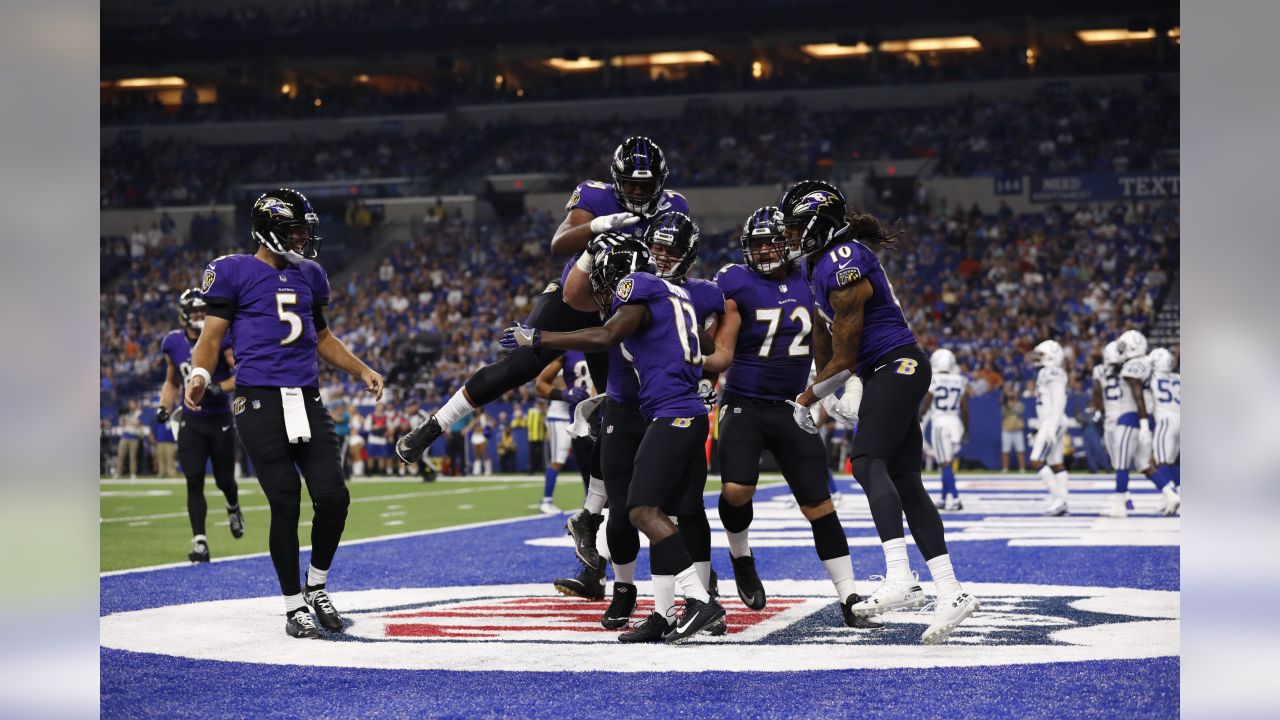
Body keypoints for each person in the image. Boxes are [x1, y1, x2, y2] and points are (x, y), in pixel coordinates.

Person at [396, 137, 690, 466]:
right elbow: (559, 244)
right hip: (577, 294)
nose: (637, 193)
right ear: (616, 180)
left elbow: (677, 266)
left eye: (645, 185)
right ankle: (435, 425)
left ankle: (597, 510)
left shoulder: (674, 206)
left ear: (660, 183)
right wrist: (595, 227)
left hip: (624, 310)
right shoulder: (595, 195)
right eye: (630, 185)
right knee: (519, 365)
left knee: (620, 407)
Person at [779, 180, 977, 645]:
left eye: (793, 226)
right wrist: (824, 391)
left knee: (867, 461)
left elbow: (847, 355)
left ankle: (900, 577)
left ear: (814, 222)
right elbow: (826, 345)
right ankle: (950, 591)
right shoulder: (819, 265)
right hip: (887, 368)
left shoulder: (842, 259)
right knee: (906, 481)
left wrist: (810, 398)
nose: (788, 235)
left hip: (897, 364)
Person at [501, 241, 725, 644]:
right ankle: (663, 613)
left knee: (641, 510)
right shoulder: (680, 295)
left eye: (605, 285)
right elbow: (709, 349)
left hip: (672, 412)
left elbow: (606, 336)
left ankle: (699, 598)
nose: (604, 294)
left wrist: (539, 336)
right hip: (682, 411)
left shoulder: (637, 287)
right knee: (657, 513)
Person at [186, 188, 384, 640]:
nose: (301, 239)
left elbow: (323, 337)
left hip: (306, 398)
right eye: (293, 230)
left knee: (334, 496)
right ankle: (293, 604)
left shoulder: (310, 273)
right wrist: (199, 373)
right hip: (257, 399)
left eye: (302, 231)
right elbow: (212, 338)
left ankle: (316, 586)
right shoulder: (233, 270)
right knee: (286, 499)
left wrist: (362, 368)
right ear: (268, 229)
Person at [702, 206, 881, 630]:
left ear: (789, 242)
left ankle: (849, 597)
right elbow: (714, 335)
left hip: (792, 404)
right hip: (744, 401)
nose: (764, 249)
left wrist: (841, 381)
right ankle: (741, 558)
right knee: (736, 490)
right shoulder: (733, 280)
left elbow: (843, 325)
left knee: (820, 505)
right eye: (757, 242)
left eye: (772, 241)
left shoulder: (812, 274)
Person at [555, 215, 723, 623]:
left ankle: (693, 595)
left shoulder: (693, 294)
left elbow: (712, 352)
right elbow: (572, 295)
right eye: (658, 248)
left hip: (668, 409)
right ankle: (627, 590)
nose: (663, 257)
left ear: (689, 257)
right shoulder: (623, 281)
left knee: (680, 506)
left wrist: (699, 377)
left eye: (673, 251)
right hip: (627, 407)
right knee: (626, 505)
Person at [157, 288, 243, 563]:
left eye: (201, 310)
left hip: (219, 419)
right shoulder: (172, 343)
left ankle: (232, 505)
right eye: (193, 311)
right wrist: (163, 406)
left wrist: (219, 388)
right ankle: (200, 542)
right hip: (191, 419)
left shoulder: (221, 335)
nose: (198, 315)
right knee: (193, 480)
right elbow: (172, 381)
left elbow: (240, 372)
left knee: (224, 480)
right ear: (184, 314)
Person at [533, 352, 593, 514]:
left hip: (578, 415)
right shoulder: (565, 354)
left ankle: (589, 500)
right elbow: (552, 383)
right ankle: (546, 500)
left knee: (588, 463)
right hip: (559, 416)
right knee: (557, 459)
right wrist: (568, 392)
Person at [1029, 339, 1072, 516]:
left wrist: (1050, 427)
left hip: (1053, 421)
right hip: (1052, 421)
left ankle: (1059, 499)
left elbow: (1059, 399)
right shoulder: (1047, 372)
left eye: (1042, 355)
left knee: (1036, 459)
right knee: (1056, 462)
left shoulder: (1051, 371)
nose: (1038, 358)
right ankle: (1062, 501)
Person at [924, 348, 969, 511]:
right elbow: (965, 408)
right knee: (947, 463)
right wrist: (966, 429)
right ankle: (943, 498)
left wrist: (918, 416)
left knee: (945, 464)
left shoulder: (934, 379)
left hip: (941, 422)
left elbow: (927, 403)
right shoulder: (960, 379)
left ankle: (956, 499)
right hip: (956, 422)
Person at [1147, 347, 1181, 515]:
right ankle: (1176, 494)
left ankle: (1171, 496)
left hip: (1165, 421)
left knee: (1160, 462)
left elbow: (1147, 404)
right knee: (1172, 462)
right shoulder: (1179, 377)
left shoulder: (1151, 378)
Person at [116, 400, 143, 479]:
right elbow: (122, 424)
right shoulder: (125, 413)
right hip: (125, 436)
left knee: (133, 456)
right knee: (121, 455)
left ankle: (133, 473)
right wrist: (122, 418)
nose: (131, 405)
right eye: (130, 404)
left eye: (132, 404)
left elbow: (137, 424)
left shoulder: (139, 413)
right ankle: (118, 473)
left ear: (136, 404)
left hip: (134, 437)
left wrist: (127, 420)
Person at [1000, 393, 1025, 472]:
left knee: (1020, 450)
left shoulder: (1019, 405)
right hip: (1007, 431)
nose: (1011, 401)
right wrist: (1007, 404)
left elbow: (1019, 411)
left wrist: (1014, 402)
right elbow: (1004, 413)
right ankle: (1005, 468)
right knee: (1005, 450)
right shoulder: (1004, 407)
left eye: (1012, 399)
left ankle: (1022, 468)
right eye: (1010, 399)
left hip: (1017, 431)